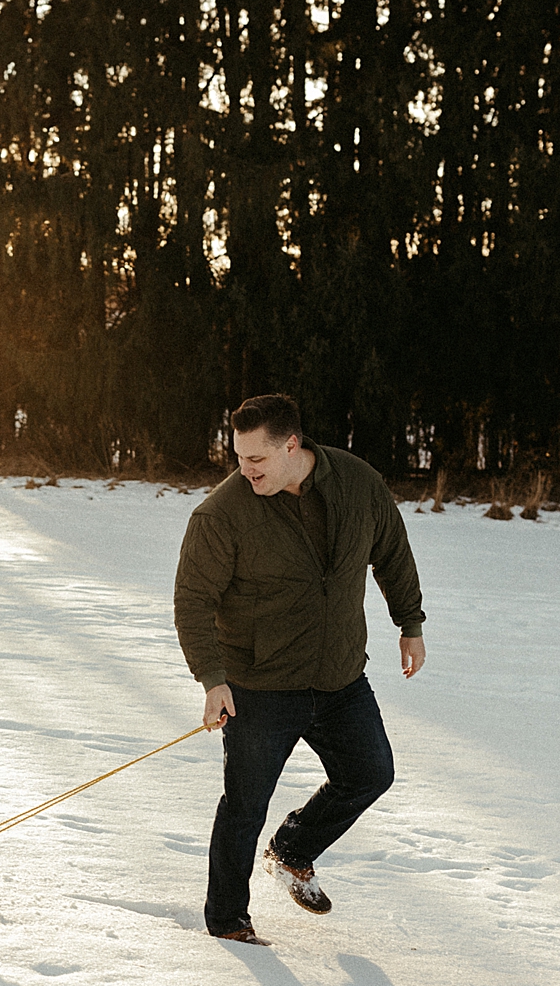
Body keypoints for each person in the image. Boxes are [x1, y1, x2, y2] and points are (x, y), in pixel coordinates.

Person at [173, 393, 427, 945]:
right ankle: (228, 921)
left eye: (257, 461)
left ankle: (293, 849)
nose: (246, 471)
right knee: (244, 807)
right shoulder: (222, 514)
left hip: (338, 678)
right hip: (259, 686)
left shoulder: (357, 484)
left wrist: (410, 622)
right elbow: (192, 600)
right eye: (239, 459)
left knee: (370, 773)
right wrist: (212, 679)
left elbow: (393, 551)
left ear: (293, 445)